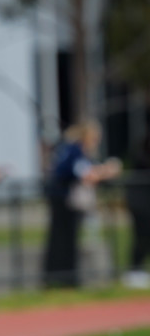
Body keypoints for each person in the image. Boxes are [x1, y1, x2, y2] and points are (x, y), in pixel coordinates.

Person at [42, 120, 121, 288]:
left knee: (69, 239)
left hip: (66, 200)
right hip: (63, 200)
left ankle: (65, 277)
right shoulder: (74, 150)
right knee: (63, 239)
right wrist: (107, 170)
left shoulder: (77, 150)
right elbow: (85, 174)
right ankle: (62, 278)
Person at [122, 133, 150, 289]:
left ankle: (138, 269)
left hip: (142, 202)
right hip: (139, 203)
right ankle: (134, 270)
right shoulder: (141, 157)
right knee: (141, 236)